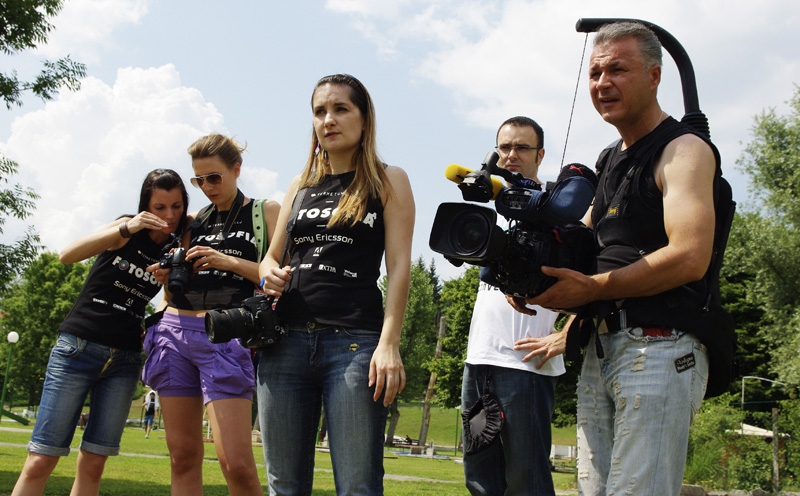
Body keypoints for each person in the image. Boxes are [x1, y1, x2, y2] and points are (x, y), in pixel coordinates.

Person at [518, 22, 718, 495]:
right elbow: (582, 243)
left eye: (617, 70)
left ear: (654, 75)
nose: (602, 83)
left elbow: (690, 257)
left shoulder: (683, 150)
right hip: (601, 346)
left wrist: (591, 289)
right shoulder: (609, 159)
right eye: (594, 73)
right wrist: (530, 275)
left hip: (660, 346)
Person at [257, 73, 415, 495]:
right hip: (284, 343)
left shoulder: (389, 179)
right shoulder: (300, 184)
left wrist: (389, 343)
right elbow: (272, 257)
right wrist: (268, 273)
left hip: (354, 345)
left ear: (364, 119)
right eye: (319, 111)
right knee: (283, 485)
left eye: (341, 109)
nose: (328, 119)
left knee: (358, 485)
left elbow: (399, 266)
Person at [12, 169, 189, 496]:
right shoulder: (126, 228)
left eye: (176, 206)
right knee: (41, 459)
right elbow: (68, 255)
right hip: (78, 348)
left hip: (124, 361)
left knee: (94, 463)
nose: (169, 215)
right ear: (145, 206)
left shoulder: (174, 249)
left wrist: (164, 294)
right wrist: (126, 227)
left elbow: (168, 303)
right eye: (160, 207)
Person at [143, 134, 279, 496]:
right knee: (182, 457)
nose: (207, 187)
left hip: (226, 332)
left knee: (236, 464)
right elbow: (174, 289)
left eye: (214, 177)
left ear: (236, 169)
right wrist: (167, 279)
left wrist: (227, 261)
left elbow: (282, 277)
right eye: (199, 180)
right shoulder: (192, 222)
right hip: (176, 331)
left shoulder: (265, 212)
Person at [461, 116, 565, 496]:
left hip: (527, 365)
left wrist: (566, 336)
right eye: (504, 147)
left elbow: (594, 279)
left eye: (522, 147)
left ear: (540, 154)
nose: (511, 155)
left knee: (527, 480)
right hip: (478, 362)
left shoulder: (557, 210)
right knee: (479, 477)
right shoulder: (489, 206)